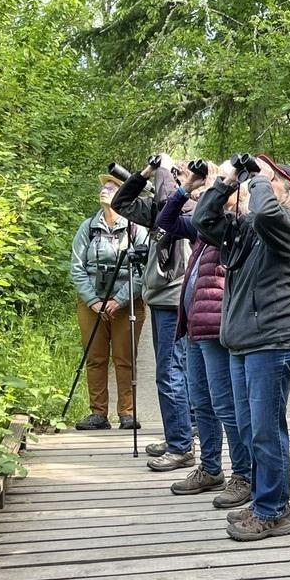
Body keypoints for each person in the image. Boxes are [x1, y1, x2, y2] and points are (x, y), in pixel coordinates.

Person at [193, 154, 290, 542]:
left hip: (273, 342)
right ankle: (267, 499)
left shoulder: (288, 224)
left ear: (287, 191)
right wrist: (223, 183)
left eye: (266, 181)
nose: (254, 185)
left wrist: (258, 177)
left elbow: (266, 214)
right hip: (245, 343)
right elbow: (202, 221)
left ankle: (273, 511)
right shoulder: (245, 230)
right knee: (250, 429)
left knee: (265, 431)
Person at [152, 161, 255, 510]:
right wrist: (186, 186)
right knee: (202, 403)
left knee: (227, 405)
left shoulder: (233, 226)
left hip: (217, 326)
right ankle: (211, 468)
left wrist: (219, 184)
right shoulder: (202, 228)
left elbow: (210, 215)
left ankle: (244, 474)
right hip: (195, 325)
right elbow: (164, 222)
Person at [112, 155, 194, 466]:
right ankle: (178, 436)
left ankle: (181, 446)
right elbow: (121, 202)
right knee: (172, 372)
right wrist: (146, 171)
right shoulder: (162, 208)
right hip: (162, 299)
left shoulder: (193, 206)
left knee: (172, 372)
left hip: (175, 301)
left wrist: (166, 173)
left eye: (179, 172)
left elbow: (169, 199)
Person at [69, 172, 150, 430]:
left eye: (113, 187)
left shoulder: (136, 228)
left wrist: (120, 299)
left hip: (126, 304)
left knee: (125, 358)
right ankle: (98, 413)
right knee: (95, 357)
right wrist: (93, 301)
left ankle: (127, 412)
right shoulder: (88, 228)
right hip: (92, 303)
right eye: (104, 186)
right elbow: (77, 267)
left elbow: (143, 269)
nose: (105, 189)